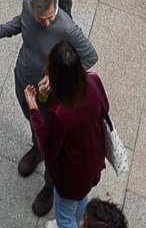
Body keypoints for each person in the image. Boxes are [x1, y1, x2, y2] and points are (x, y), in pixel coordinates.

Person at [0, 0, 98, 218]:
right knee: (33, 124)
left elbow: (90, 57)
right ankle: (37, 148)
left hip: (50, 98)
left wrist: (59, 76)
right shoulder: (29, 9)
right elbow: (22, 22)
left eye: (50, 18)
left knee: (53, 144)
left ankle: (50, 185)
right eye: (41, 20)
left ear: (56, 7)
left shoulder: (67, 28)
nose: (46, 24)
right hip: (24, 82)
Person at [25, 41, 109, 227]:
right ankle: (80, 221)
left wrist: (34, 110)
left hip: (71, 177)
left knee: (64, 218)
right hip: (93, 160)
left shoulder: (61, 114)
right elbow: (105, 108)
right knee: (81, 200)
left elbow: (48, 149)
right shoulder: (93, 80)